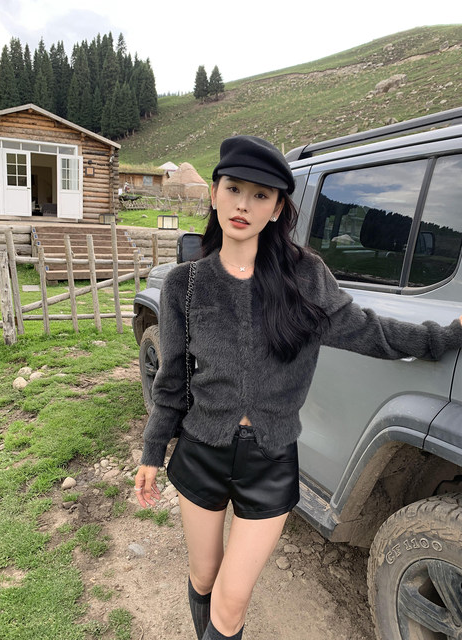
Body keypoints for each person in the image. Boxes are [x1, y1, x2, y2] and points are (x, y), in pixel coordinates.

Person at [134, 135, 462, 640]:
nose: (244, 204)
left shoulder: (306, 277)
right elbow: (171, 379)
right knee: (204, 577)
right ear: (214, 193)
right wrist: (152, 452)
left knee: (232, 599)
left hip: (270, 460)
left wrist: (445, 336)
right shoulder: (185, 284)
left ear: (277, 208)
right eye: (234, 188)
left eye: (260, 195)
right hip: (200, 452)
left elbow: (369, 330)